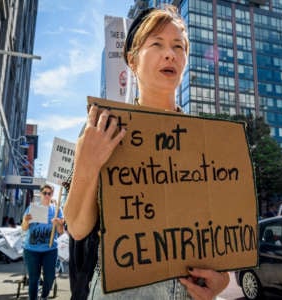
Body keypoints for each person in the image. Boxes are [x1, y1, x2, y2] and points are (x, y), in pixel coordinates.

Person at [64, 5, 230, 300]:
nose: (170, 55)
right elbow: (77, 227)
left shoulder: (206, 140)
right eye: (157, 44)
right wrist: (88, 163)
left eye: (178, 47)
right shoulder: (103, 129)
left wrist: (220, 282)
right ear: (132, 60)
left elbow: (217, 234)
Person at [21, 184, 64, 300]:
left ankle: (44, 296)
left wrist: (58, 224)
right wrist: (25, 221)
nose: (46, 195)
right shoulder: (32, 208)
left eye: (49, 193)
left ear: (52, 195)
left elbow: (61, 231)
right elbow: (24, 228)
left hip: (50, 249)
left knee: (50, 277)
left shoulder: (57, 210)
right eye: (44, 193)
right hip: (31, 250)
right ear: (40, 194)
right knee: (33, 278)